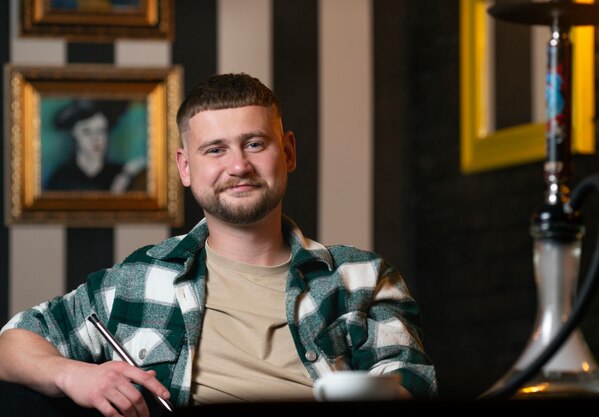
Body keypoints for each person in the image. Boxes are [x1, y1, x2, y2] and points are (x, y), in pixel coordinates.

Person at [0, 73, 437, 416]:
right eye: (215, 150)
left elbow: (407, 380)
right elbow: (12, 345)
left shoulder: (363, 278)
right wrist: (73, 376)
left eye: (254, 143)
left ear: (287, 152)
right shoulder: (137, 279)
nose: (238, 166)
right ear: (185, 167)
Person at [45, 98, 146, 193]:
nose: (95, 139)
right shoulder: (61, 178)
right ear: (75, 134)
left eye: (101, 130)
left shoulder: (121, 173)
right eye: (87, 132)